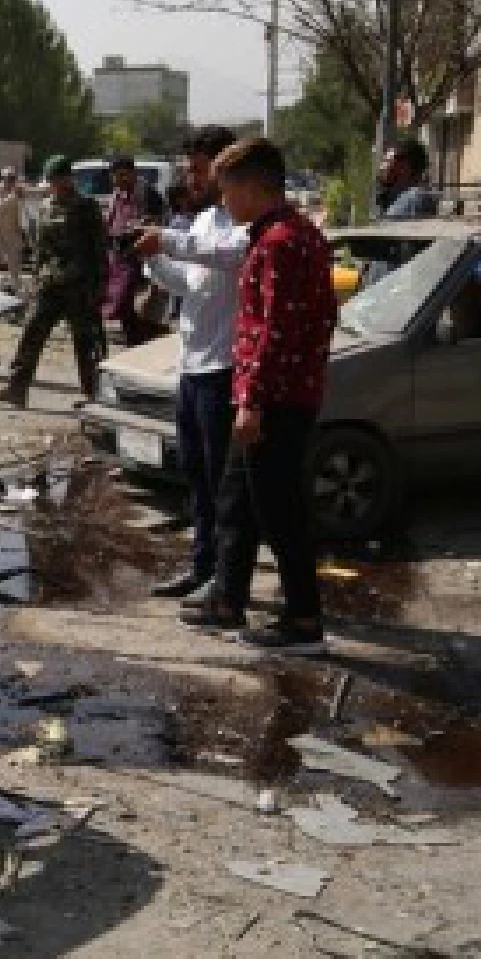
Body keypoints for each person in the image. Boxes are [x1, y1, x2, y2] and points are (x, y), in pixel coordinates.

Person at [179, 137, 337, 655]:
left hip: (276, 399)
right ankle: (227, 598)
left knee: (279, 511)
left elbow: (274, 332)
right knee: (236, 501)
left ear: (252, 187)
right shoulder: (289, 234)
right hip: (275, 391)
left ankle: (304, 621)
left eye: (227, 190)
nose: (222, 202)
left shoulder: (280, 243)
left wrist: (252, 402)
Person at [133, 125, 244, 602]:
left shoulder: (243, 223)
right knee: (196, 475)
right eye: (190, 170)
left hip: (224, 367)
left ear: (225, 170)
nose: (192, 179)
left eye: (200, 171)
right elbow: (191, 282)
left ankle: (226, 577)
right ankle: (202, 565)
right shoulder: (200, 222)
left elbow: (230, 256)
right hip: (193, 365)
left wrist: (170, 241)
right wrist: (154, 262)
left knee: (225, 482)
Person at [0, 155, 108, 408]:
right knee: (31, 333)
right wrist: (35, 279)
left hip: (79, 286)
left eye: (56, 179)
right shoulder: (45, 206)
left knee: (86, 343)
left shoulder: (86, 206)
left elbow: (99, 248)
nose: (52, 184)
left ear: (67, 178)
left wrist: (100, 285)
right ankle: (16, 389)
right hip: (50, 285)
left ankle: (95, 396)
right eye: (50, 180)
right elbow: (41, 248)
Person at [101, 154, 165, 347]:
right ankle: (134, 343)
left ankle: (144, 344)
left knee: (138, 307)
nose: (119, 180)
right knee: (122, 307)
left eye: (123, 175)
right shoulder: (116, 196)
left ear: (133, 173)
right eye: (115, 176)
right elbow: (110, 222)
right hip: (120, 258)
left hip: (143, 261)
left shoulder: (149, 195)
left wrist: (128, 231)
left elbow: (153, 226)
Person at [0, 167, 28, 291]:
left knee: (15, 258)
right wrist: (12, 197)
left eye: (12, 178)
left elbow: (22, 209)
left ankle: (16, 284)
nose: (10, 181)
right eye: (8, 178)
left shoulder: (17, 191)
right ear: (3, 179)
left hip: (12, 230)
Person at [381, 138, 439, 219]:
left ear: (404, 166)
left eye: (388, 161)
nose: (382, 167)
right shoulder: (395, 194)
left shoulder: (413, 199)